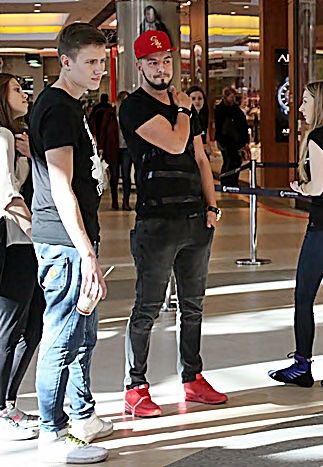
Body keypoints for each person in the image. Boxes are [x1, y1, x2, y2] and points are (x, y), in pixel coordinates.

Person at [119, 29, 226, 418]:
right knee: (147, 307)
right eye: (152, 62)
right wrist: (183, 109)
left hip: (195, 220)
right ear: (140, 66)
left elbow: (199, 157)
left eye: (166, 61)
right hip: (156, 223)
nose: (161, 69)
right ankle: (136, 385)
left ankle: (192, 378)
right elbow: (175, 142)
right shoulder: (134, 107)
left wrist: (212, 207)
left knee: (193, 306)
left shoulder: (183, 108)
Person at [29, 23, 112, 464]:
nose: (99, 70)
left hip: (74, 238)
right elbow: (61, 186)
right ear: (65, 62)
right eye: (90, 62)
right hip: (64, 242)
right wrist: (85, 250)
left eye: (102, 62)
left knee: (82, 333)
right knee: (62, 335)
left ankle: (81, 414)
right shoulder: (59, 109)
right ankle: (53, 430)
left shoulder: (69, 105)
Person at [268, 81, 323, 391]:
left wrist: (300, 188)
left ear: (320, 104)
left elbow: (318, 187)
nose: (301, 107)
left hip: (322, 229)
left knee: (304, 296)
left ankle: (302, 364)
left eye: (305, 101)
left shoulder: (318, 137)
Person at [0, 73, 44, 441]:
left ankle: (8, 401)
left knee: (31, 325)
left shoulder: (15, 137)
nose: (24, 94)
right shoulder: (1, 136)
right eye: (16, 89)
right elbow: (9, 197)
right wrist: (40, 239)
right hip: (14, 242)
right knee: (11, 325)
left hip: (21, 242)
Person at [89, 93, 121, 209]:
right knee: (115, 173)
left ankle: (113, 199)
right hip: (111, 146)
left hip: (106, 145)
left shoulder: (97, 110)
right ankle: (116, 200)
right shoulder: (109, 112)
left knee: (108, 172)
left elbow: (96, 127)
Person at [214, 86, 249, 186]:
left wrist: (245, 141)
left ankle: (232, 181)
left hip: (236, 141)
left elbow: (242, 125)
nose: (232, 99)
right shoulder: (221, 110)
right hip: (226, 141)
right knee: (229, 161)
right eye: (231, 97)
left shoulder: (236, 109)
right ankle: (226, 182)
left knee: (236, 161)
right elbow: (219, 126)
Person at [116, 90, 133, 210]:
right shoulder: (114, 116)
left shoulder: (131, 115)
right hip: (116, 148)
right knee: (117, 175)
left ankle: (125, 201)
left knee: (127, 175)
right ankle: (117, 200)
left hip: (128, 148)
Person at [186, 85, 211, 158]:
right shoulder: (186, 117)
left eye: (200, 98)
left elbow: (206, 132)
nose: (197, 101)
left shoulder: (204, 116)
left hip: (203, 153)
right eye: (193, 99)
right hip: (190, 154)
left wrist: (208, 146)